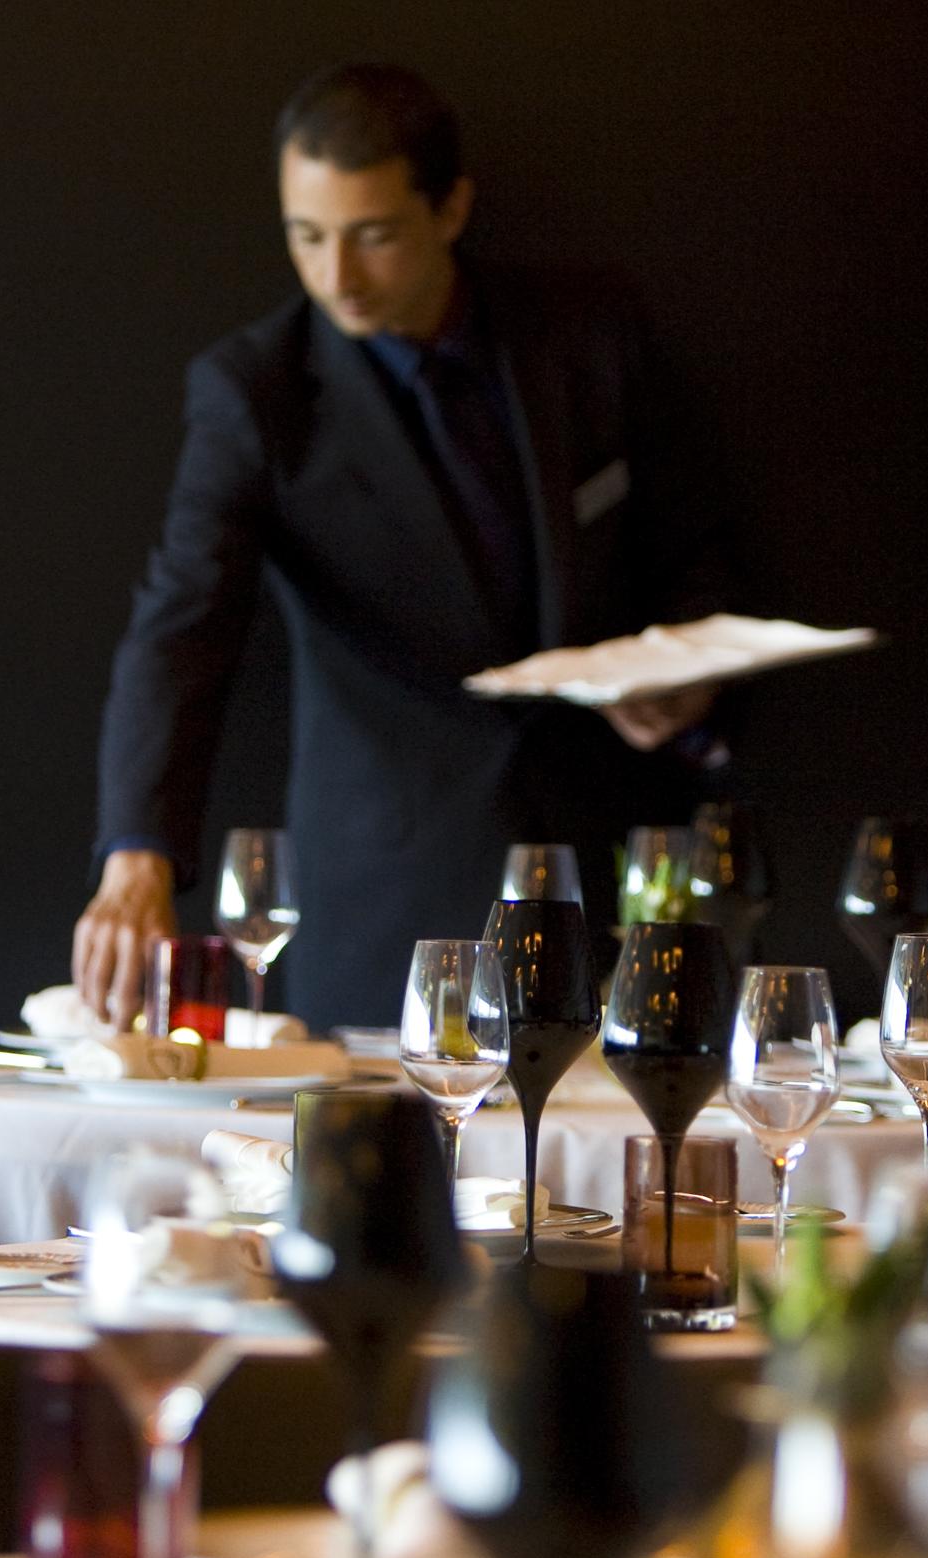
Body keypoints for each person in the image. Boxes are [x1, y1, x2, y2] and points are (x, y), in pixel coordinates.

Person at [74, 63, 737, 1033]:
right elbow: (184, 623)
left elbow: (699, 547)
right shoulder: (254, 393)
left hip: (612, 877)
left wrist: (691, 673)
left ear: (452, 207)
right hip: (386, 910)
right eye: (306, 236)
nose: (335, 275)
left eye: (372, 235)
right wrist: (137, 854)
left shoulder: (589, 332)